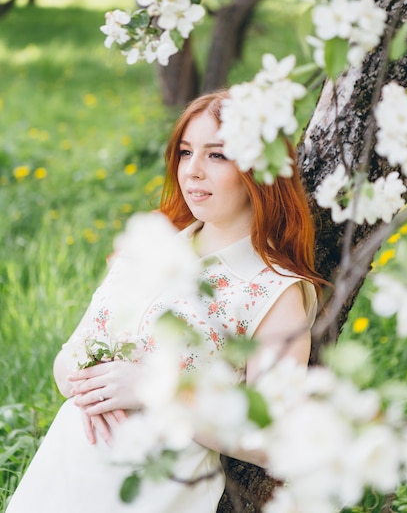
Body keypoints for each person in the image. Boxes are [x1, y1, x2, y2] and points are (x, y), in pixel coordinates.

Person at [5, 90, 321, 513]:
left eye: (216, 156)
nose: (191, 171)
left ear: (259, 169)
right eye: (186, 152)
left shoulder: (273, 290)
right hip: (63, 474)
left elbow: (272, 439)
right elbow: (66, 362)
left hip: (154, 495)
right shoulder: (149, 247)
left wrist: (155, 390)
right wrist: (93, 385)